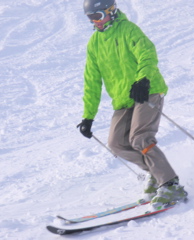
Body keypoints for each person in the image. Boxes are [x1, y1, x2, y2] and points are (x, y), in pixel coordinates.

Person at [77, 0, 187, 210]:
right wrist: (88, 116)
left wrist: (143, 79)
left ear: (111, 11)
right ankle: (156, 174)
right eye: (90, 18)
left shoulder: (128, 30)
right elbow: (91, 81)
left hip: (147, 90)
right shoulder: (94, 44)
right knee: (117, 143)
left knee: (140, 137)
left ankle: (171, 184)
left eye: (97, 16)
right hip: (123, 100)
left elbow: (147, 53)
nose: (95, 22)